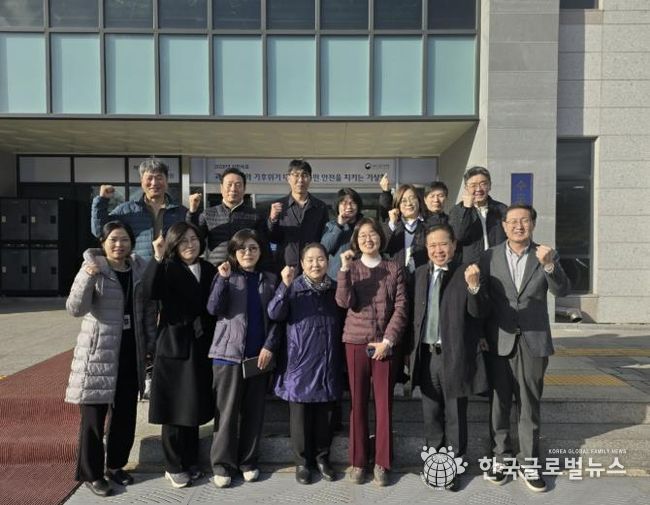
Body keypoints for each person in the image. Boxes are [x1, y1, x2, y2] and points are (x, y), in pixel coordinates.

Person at [479, 204, 570, 493]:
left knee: (529, 403)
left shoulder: (545, 254)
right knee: (499, 404)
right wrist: (480, 335)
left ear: (533, 224)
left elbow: (562, 290)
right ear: (504, 226)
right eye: (513, 221)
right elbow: (482, 299)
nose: (519, 226)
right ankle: (500, 459)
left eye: (525, 220)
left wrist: (549, 265)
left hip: (533, 341)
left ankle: (529, 463)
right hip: (499, 340)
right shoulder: (489, 256)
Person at [65, 221, 157, 497]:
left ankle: (116, 466)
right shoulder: (93, 267)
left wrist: (150, 344)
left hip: (130, 350)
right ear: (103, 243)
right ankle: (92, 474)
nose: (119, 245)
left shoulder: (139, 269)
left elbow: (148, 310)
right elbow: (75, 308)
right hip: (99, 352)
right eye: (113, 240)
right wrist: (87, 277)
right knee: (94, 419)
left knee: (125, 415)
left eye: (124, 239)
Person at [410, 224, 488, 492]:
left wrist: (474, 287)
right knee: (431, 414)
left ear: (454, 245)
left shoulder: (466, 272)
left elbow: (479, 313)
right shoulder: (420, 274)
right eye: (432, 245)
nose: (438, 250)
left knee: (455, 416)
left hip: (454, 356)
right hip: (427, 355)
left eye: (443, 244)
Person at [142, 222, 216, 489]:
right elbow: (148, 291)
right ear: (174, 244)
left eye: (194, 239)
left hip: (200, 343)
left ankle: (190, 460)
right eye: (183, 240)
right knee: (174, 408)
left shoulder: (209, 268)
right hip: (174, 343)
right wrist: (158, 256)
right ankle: (173, 465)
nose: (190, 245)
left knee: (192, 404)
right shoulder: (167, 267)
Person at [336, 218, 408, 487]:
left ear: (381, 237)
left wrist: (388, 341)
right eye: (363, 235)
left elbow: (401, 307)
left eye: (373, 234)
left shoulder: (394, 268)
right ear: (356, 240)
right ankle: (357, 461)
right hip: (355, 342)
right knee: (357, 404)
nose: (368, 239)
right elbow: (344, 301)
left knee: (383, 405)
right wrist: (344, 270)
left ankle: (382, 462)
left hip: (385, 345)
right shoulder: (351, 267)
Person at [206, 229, 277, 489]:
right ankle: (222, 465)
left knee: (253, 412)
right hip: (227, 356)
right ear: (234, 253)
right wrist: (223, 280)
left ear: (260, 251)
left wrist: (269, 346)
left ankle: (248, 461)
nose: (248, 253)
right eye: (242, 249)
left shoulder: (269, 279)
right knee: (226, 413)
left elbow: (277, 318)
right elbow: (213, 308)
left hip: (258, 356)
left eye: (253, 248)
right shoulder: (225, 275)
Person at [267, 243, 343, 485]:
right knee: (299, 418)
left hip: (328, 360)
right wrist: (284, 286)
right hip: (299, 363)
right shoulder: (293, 288)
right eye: (309, 260)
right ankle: (302, 462)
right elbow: (274, 313)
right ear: (301, 264)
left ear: (327, 261)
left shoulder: (335, 289)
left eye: (320, 259)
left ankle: (322, 459)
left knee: (325, 416)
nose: (315, 264)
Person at [91, 158, 198, 261]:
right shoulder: (127, 210)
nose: (154, 183)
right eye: (149, 178)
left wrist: (193, 211)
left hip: (171, 269)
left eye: (159, 178)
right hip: (139, 269)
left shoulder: (180, 212)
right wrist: (101, 201)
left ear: (167, 181)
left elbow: (195, 238)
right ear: (141, 181)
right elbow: (99, 231)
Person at [188, 167, 269, 267]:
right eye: (229, 184)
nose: (233, 189)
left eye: (238, 185)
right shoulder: (208, 214)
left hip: (244, 270)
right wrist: (192, 212)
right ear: (221, 188)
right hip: (216, 269)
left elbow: (264, 247)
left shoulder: (256, 215)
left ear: (244, 189)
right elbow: (194, 238)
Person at [268, 160, 329, 272]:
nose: (300, 180)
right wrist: (272, 219)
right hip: (285, 267)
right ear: (288, 178)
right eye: (296, 175)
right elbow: (272, 238)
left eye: (304, 175)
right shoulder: (278, 206)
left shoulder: (320, 207)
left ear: (310, 178)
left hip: (312, 267)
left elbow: (324, 239)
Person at [448, 166, 507, 264]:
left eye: (483, 184)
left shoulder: (502, 209)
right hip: (471, 266)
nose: (479, 189)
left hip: (498, 264)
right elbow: (459, 236)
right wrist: (467, 209)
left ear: (490, 186)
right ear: (466, 188)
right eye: (473, 185)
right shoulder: (457, 210)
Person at [321, 188, 364, 279]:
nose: (349, 206)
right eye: (344, 203)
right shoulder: (330, 226)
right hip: (337, 278)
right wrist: (339, 225)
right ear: (338, 206)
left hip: (363, 275)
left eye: (352, 203)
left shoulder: (365, 225)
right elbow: (325, 248)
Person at [378, 175, 449, 225]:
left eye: (440, 196)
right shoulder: (395, 223)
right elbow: (386, 211)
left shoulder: (446, 221)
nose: (436, 200)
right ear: (424, 199)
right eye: (403, 200)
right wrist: (386, 191)